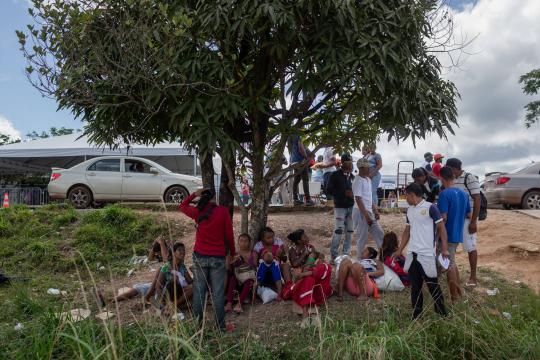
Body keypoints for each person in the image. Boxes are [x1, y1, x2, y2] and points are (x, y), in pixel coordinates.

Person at [178, 188, 235, 331]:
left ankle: (197, 326)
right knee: (217, 293)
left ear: (202, 197)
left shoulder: (198, 211)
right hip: (218, 257)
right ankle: (220, 327)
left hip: (200, 256)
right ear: (214, 197)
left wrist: (194, 195)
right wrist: (232, 253)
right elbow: (229, 235)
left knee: (199, 292)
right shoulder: (223, 211)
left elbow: (182, 206)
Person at [394, 183, 448, 319]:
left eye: (406, 195)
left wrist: (445, 249)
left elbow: (441, 227)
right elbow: (407, 230)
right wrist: (400, 249)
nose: (405, 198)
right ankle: (417, 315)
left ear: (412, 195)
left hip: (427, 254)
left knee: (433, 286)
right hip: (412, 254)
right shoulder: (410, 210)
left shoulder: (430, 207)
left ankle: (442, 314)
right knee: (415, 287)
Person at [446, 158, 481, 287]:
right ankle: (451, 274)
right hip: (454, 220)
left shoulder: (469, 178)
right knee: (450, 247)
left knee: (470, 247)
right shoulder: (451, 179)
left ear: (455, 168)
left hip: (467, 219)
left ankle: (473, 277)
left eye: (450, 169)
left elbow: (477, 199)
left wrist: (473, 222)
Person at [438, 166, 471, 303]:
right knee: (452, 262)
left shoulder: (444, 194)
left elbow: (443, 218)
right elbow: (468, 214)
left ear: (441, 178)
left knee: (449, 265)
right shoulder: (463, 194)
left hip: (447, 234)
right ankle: (459, 291)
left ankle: (454, 299)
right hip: (457, 234)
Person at [290, 250, 333, 327]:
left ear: (320, 259)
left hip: (317, 295)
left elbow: (314, 273)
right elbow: (298, 280)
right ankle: (306, 312)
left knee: (309, 279)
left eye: (312, 259)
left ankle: (305, 313)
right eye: (309, 260)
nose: (310, 261)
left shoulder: (325, 266)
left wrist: (302, 274)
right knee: (305, 281)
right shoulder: (311, 269)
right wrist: (304, 270)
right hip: (307, 294)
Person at [326, 154, 355, 262]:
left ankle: (346, 254)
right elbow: (328, 190)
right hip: (340, 207)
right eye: (349, 162)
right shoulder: (335, 175)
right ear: (343, 162)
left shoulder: (352, 176)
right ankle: (334, 256)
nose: (351, 164)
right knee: (338, 231)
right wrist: (343, 193)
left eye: (351, 162)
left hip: (351, 207)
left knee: (349, 231)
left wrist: (353, 194)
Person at [352, 158, 384, 256]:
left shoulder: (368, 179)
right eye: (367, 167)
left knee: (379, 233)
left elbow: (369, 198)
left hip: (368, 212)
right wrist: (366, 215)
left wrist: (375, 211)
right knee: (362, 237)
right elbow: (358, 199)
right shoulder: (358, 180)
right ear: (361, 168)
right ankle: (359, 259)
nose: (369, 169)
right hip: (361, 212)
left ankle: (384, 255)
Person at [149, 242, 194, 309]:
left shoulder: (182, 266)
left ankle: (174, 305)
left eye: (183, 250)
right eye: (179, 250)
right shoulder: (166, 267)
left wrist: (195, 273)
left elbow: (190, 281)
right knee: (173, 283)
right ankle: (175, 305)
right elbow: (158, 286)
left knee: (193, 288)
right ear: (173, 253)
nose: (183, 252)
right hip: (168, 294)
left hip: (179, 293)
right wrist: (160, 300)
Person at [225, 234, 257, 314]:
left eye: (246, 241)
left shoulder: (253, 253)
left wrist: (243, 260)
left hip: (249, 276)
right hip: (238, 276)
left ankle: (239, 304)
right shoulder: (235, 253)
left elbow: (255, 267)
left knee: (249, 282)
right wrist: (231, 261)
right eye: (241, 241)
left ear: (250, 243)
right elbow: (231, 270)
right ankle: (229, 303)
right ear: (238, 242)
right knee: (233, 279)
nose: (243, 243)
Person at [289, 135, 314, 206]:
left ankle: (295, 199)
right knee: (305, 180)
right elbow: (301, 148)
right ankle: (308, 199)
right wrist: (306, 157)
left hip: (294, 161)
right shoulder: (299, 136)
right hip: (301, 161)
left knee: (296, 181)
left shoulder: (291, 137)